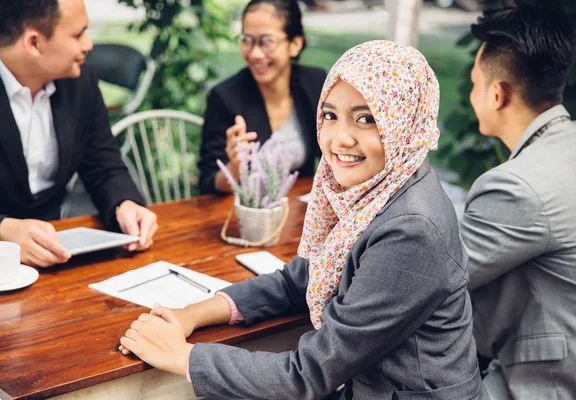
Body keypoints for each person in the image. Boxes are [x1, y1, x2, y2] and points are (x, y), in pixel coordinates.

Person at [119, 40, 488, 400]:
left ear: (404, 123)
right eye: (330, 115)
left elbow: (309, 375)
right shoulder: (376, 189)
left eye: (366, 119)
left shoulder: (411, 229)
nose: (340, 138)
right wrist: (192, 314)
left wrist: (183, 357)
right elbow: (301, 279)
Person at [0, 0, 158, 267]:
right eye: (77, 34)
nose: (88, 44)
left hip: (59, 259)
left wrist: (125, 203)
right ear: (34, 43)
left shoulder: (81, 80)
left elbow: (103, 165)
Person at [460, 6, 576, 400]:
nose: (472, 92)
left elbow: (434, 276)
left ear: (497, 94)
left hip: (545, 382)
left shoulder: (519, 186)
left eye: (474, 82)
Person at [198, 0, 327, 195]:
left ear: (295, 44)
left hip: (302, 209)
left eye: (266, 41)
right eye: (247, 40)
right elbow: (209, 181)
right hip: (244, 213)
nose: (255, 53)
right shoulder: (224, 97)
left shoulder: (314, 83)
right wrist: (233, 168)